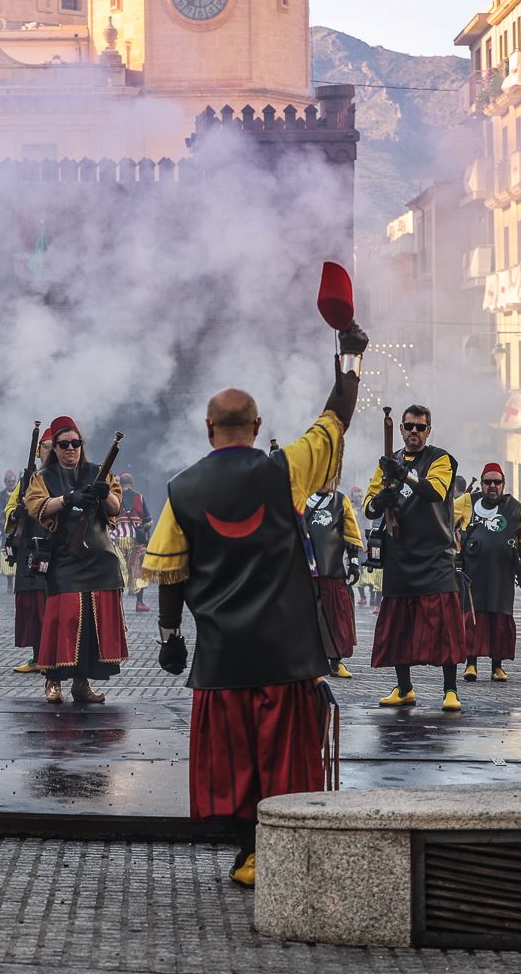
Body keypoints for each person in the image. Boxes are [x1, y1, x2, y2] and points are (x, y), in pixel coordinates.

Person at [143, 323, 366, 888]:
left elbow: (170, 573)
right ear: (258, 426)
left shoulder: (181, 490)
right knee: (283, 761)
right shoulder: (285, 469)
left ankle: (248, 855)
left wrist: (171, 639)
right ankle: (283, 854)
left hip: (223, 660)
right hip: (286, 656)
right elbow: (335, 420)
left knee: (235, 765)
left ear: (208, 428)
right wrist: (350, 358)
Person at [364, 403, 467, 711]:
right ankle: (404, 688)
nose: (414, 432)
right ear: (401, 428)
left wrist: (405, 476)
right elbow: (369, 505)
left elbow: (435, 491)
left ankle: (450, 690)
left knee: (445, 626)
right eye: (409, 426)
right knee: (400, 626)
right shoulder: (388, 462)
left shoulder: (441, 459)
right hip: (399, 555)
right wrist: (381, 500)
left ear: (428, 431)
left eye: (420, 427)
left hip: (435, 556)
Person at [22, 416, 127, 704]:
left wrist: (104, 495)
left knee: (91, 625)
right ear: (54, 448)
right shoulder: (43, 477)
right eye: (64, 444)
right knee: (65, 619)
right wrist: (69, 498)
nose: (71, 449)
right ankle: (53, 680)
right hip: (64, 557)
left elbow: (116, 507)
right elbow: (37, 507)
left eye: (76, 443)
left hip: (99, 558)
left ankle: (81, 684)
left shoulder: (97, 472)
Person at [454, 463, 521, 683]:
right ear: (481, 483)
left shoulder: (515, 508)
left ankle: (497, 666)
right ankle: (470, 664)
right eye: (487, 482)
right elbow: (443, 520)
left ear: (503, 484)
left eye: (496, 482)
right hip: (472, 574)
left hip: (502, 575)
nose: (492, 486)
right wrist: (454, 549)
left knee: (499, 620)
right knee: (472, 619)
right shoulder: (467, 501)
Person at [305, 476, 363, 678]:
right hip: (306, 573)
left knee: (336, 619)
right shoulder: (300, 500)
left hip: (333, 571)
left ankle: (336, 663)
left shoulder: (341, 501)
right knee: (307, 619)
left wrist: (354, 562)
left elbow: (351, 533)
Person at [5, 430, 53, 674]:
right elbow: (11, 508)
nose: (50, 451)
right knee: (32, 608)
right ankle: (37, 658)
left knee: (51, 607)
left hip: (54, 548)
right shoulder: (28, 480)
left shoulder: (64, 478)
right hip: (30, 548)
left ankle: (52, 658)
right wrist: (16, 514)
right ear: (38, 451)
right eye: (46, 447)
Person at [113, 471, 153, 612]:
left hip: (118, 539)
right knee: (138, 571)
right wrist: (144, 533)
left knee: (119, 571)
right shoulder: (139, 497)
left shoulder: (115, 497)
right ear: (132, 484)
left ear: (120, 484)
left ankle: (117, 605)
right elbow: (148, 521)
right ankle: (139, 603)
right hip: (136, 541)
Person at [0, 469, 17, 594]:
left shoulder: (20, 494)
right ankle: (9, 583)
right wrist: (5, 516)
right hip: (7, 528)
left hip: (19, 528)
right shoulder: (0, 496)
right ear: (5, 482)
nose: (12, 483)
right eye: (9, 481)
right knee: (8, 554)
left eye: (13, 481)